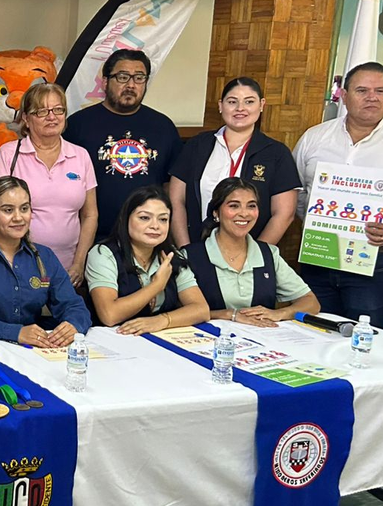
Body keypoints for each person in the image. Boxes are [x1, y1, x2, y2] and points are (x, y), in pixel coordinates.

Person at [293, 62, 383, 327]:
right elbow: (299, 192)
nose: (372, 97)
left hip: (375, 261)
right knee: (312, 333)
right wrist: (318, 222)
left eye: (380, 91)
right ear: (344, 96)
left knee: (364, 339)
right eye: (362, 90)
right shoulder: (315, 138)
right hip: (319, 256)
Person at [0, 177, 91, 347]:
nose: (18, 217)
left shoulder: (44, 256)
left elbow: (73, 305)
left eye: (24, 208)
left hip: (30, 350)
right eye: (8, 210)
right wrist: (15, 332)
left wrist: (73, 325)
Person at [64, 49, 181, 241]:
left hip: (148, 239)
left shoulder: (163, 126)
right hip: (92, 237)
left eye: (139, 78)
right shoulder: (78, 125)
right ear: (105, 81)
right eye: (123, 77)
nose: (131, 85)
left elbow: (172, 188)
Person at [169, 77, 299, 246]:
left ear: (261, 105)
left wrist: (256, 259)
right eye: (232, 102)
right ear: (220, 106)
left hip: (250, 254)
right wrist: (187, 250)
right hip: (197, 246)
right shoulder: (197, 145)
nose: (240, 108)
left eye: (249, 101)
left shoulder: (276, 153)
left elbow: (284, 213)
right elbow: (175, 200)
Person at [0, 83, 98, 286]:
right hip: (16, 268)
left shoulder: (80, 155)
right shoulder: (8, 154)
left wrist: (79, 263)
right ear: (26, 118)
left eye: (58, 110)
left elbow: (90, 214)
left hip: (68, 269)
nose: (52, 117)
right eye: (41, 111)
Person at [183, 178, 320, 326]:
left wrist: (279, 313)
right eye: (234, 206)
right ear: (216, 212)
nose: (244, 213)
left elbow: (311, 302)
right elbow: (179, 311)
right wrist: (229, 314)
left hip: (263, 342)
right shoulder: (189, 256)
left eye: (251, 206)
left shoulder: (269, 254)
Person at [86, 186, 209, 334]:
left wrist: (162, 320)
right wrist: (157, 285)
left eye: (163, 219)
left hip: (157, 338)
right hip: (114, 338)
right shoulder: (103, 254)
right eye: (144, 218)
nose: (155, 226)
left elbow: (201, 309)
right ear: (126, 219)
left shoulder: (171, 255)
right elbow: (109, 315)